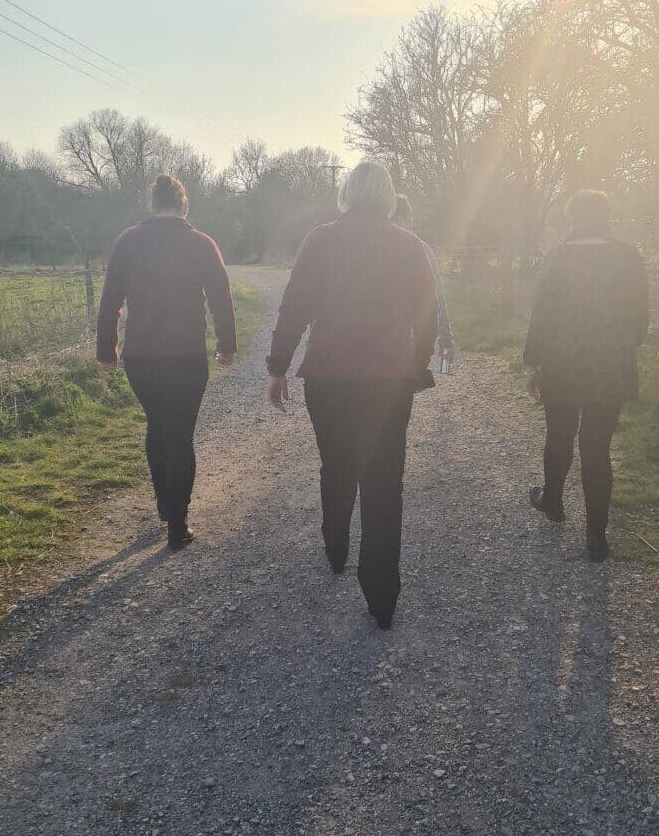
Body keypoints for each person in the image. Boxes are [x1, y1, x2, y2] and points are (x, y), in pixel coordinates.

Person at [266, 160, 438, 629]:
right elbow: (428, 315)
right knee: (384, 482)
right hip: (389, 380)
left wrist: (278, 367)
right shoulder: (409, 246)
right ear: (387, 197)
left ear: (346, 194)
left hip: (330, 377)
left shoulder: (321, 240)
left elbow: (294, 307)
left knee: (337, 465)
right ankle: (382, 596)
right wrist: (417, 365)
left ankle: (336, 546)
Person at [96, 173, 236, 550]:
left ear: (152, 206)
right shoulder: (202, 244)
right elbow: (221, 299)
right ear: (184, 206)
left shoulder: (128, 242)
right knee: (180, 435)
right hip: (187, 357)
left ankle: (164, 503)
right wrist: (227, 345)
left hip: (141, 357)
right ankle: (177, 521)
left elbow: (111, 301)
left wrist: (106, 351)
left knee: (157, 426)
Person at [523, 189, 648, 562]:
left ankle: (553, 502)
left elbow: (542, 314)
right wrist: (623, 346)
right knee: (597, 447)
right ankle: (596, 537)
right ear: (606, 217)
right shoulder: (629, 257)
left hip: (562, 362)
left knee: (559, 434)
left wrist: (534, 363)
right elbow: (640, 320)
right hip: (610, 364)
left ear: (572, 218)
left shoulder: (559, 256)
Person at [392, 193, 455, 367]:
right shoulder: (421, 249)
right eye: (410, 217)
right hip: (411, 341)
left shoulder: (373, 249)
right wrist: (446, 339)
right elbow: (437, 296)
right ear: (403, 218)